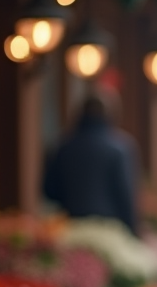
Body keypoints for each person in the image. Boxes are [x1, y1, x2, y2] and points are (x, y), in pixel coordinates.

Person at [43, 93, 140, 234]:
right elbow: (125, 195)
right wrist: (134, 232)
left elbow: (49, 190)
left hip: (71, 226)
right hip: (109, 228)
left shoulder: (63, 146)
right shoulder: (121, 147)